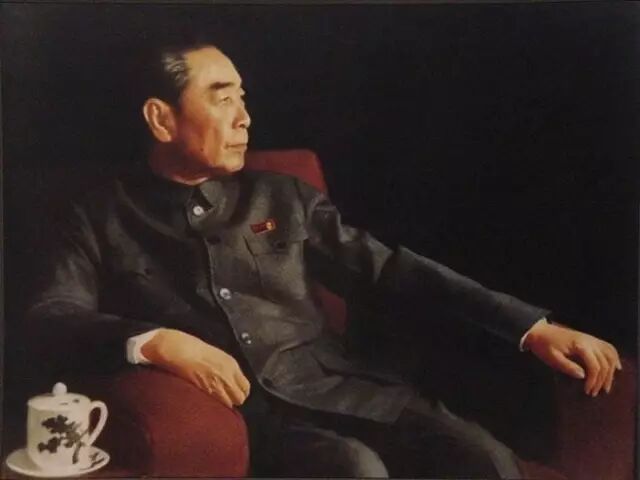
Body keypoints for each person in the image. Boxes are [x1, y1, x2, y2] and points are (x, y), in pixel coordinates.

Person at [26, 39, 622, 478]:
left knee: (483, 457)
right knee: (354, 469)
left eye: (243, 98)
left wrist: (531, 328)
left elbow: (392, 269)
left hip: (343, 388)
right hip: (250, 417)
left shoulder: (281, 197)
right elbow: (52, 314)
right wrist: (156, 342)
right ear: (161, 118)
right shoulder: (96, 215)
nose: (244, 117)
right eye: (222, 98)